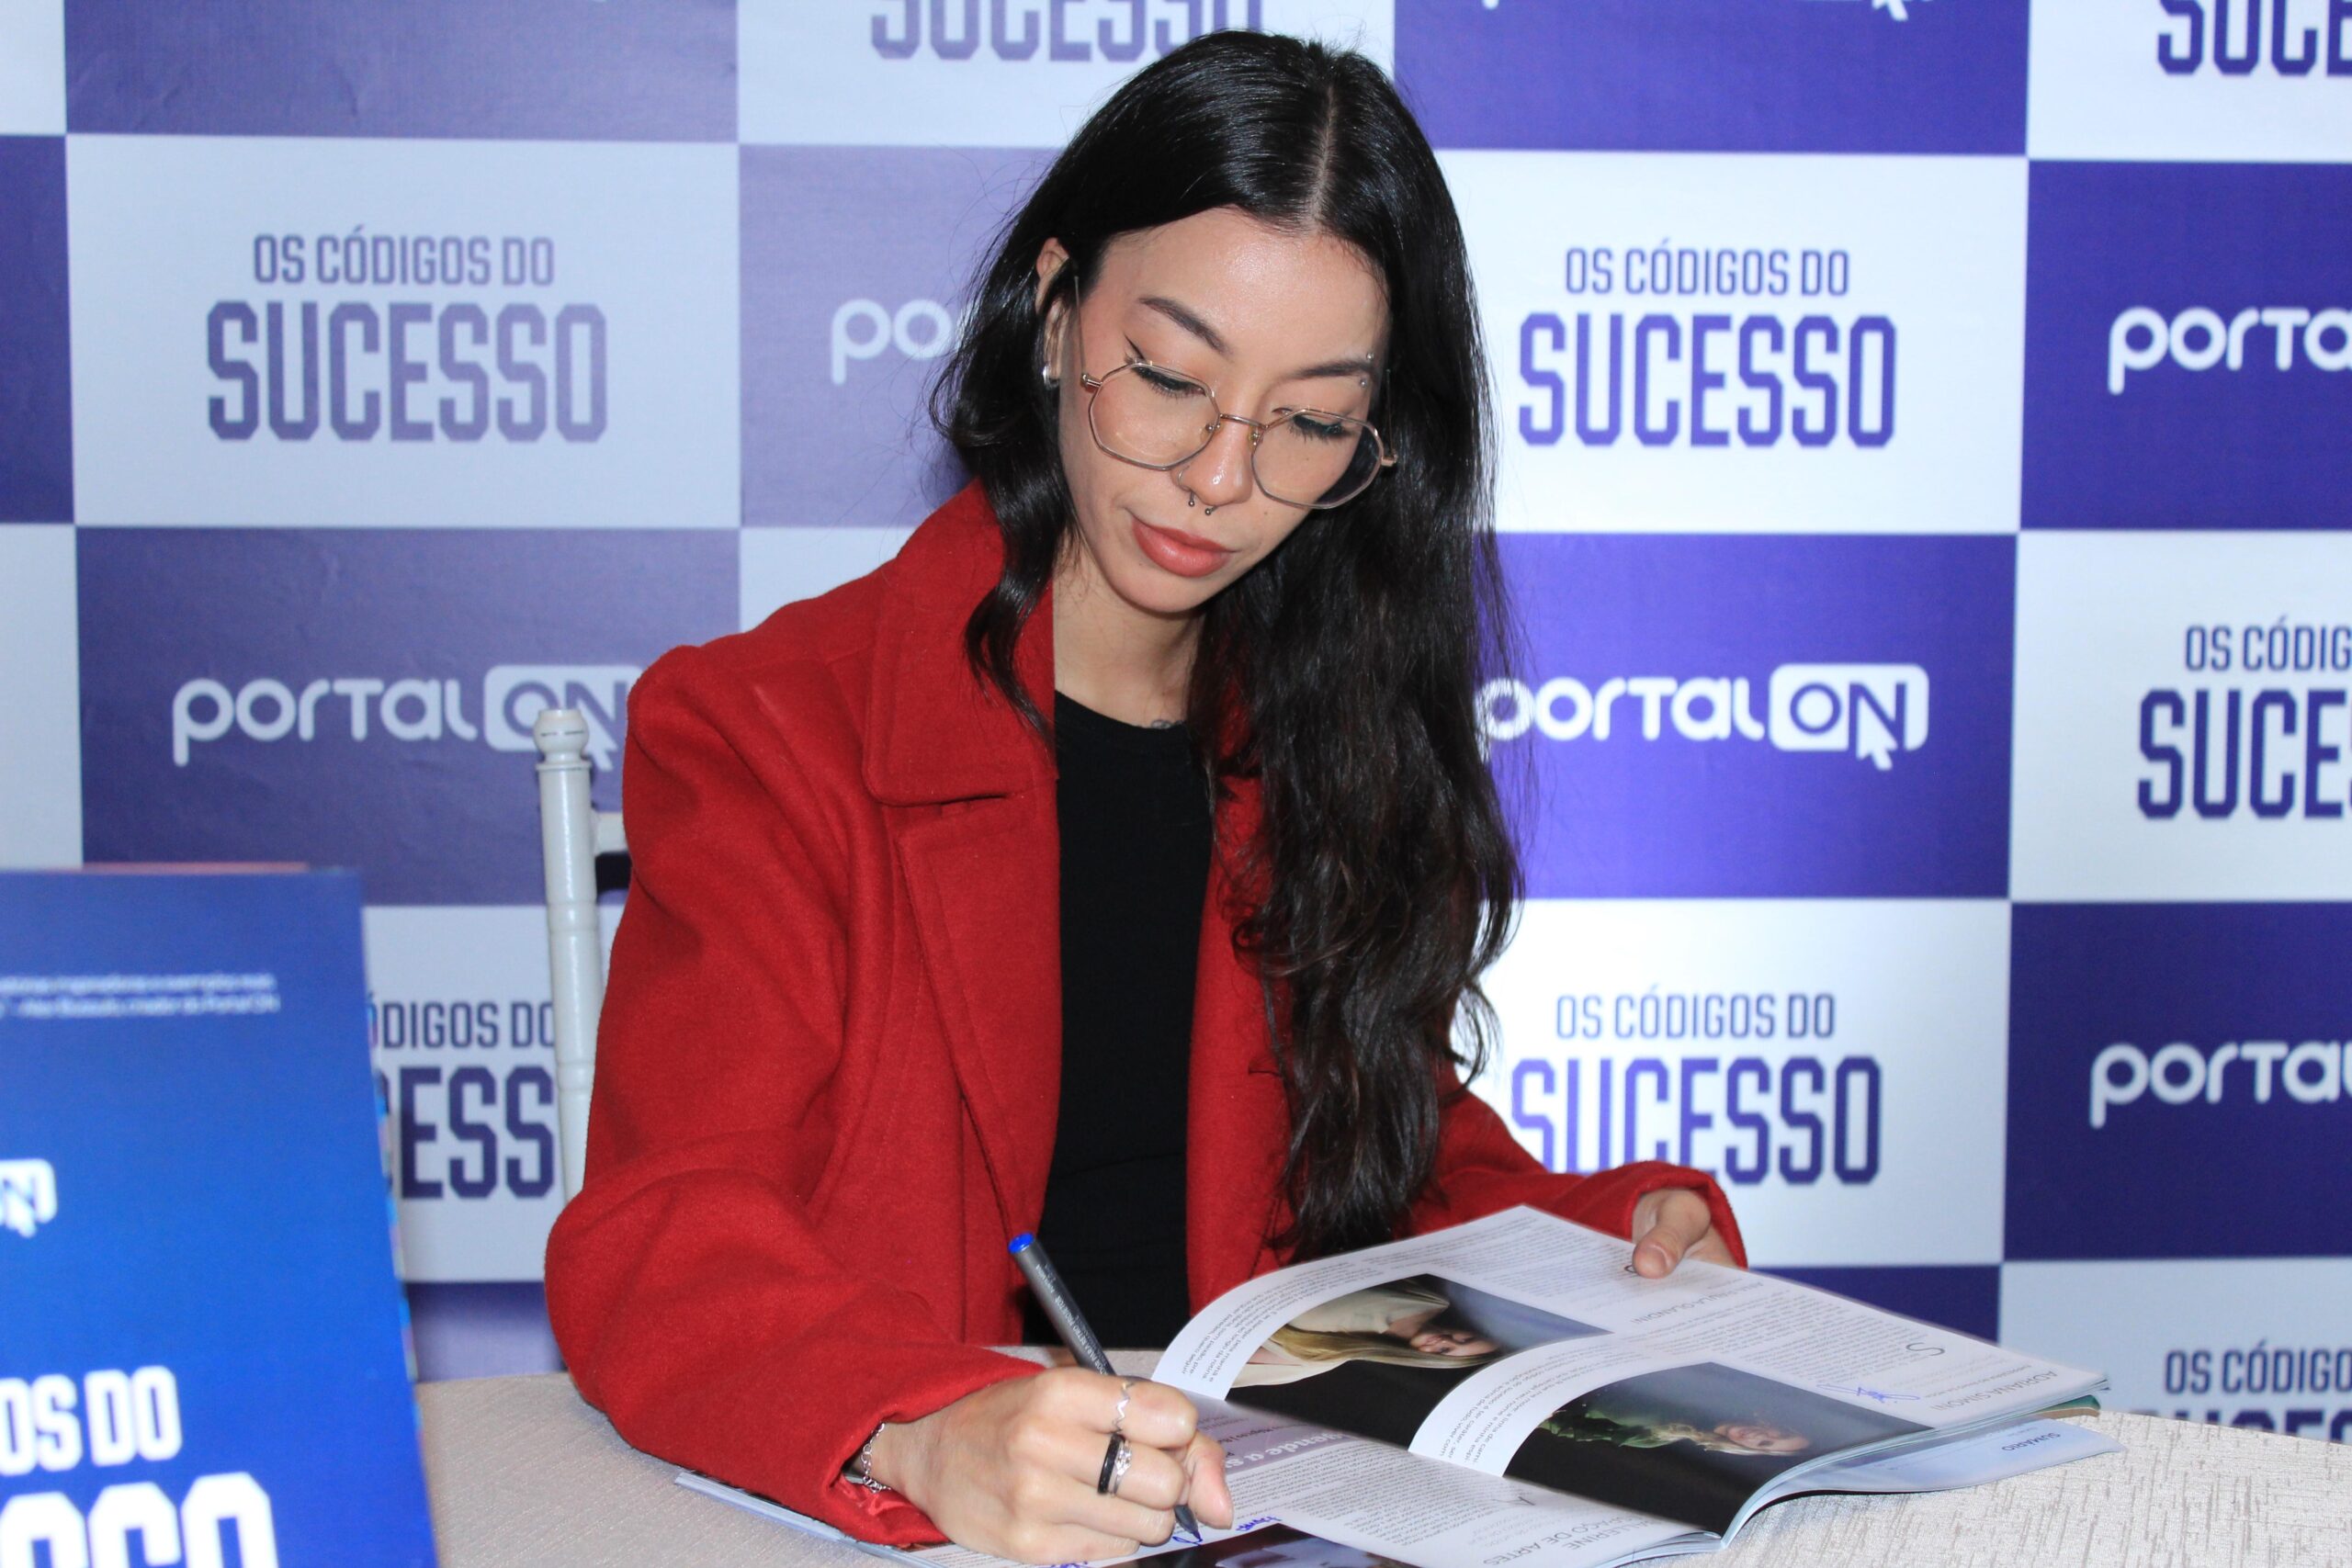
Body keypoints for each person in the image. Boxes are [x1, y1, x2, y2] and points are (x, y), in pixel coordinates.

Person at [542, 28, 1746, 1568]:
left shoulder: (1333, 735)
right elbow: (666, 1234)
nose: (1218, 476)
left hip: (1270, 1507)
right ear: (1056, 312)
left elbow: (1373, 1142)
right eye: (1171, 377)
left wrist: (1603, 1240)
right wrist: (925, 1422)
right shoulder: (772, 726)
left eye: (1309, 422)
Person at [1234, 1280, 1503, 1387]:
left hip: (1225, 1305)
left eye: (1445, 1351)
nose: (1444, 1340)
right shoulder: (1430, 1301)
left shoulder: (1323, 1357)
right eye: (1465, 1339)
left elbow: (1229, 1355)